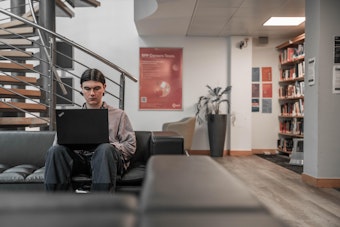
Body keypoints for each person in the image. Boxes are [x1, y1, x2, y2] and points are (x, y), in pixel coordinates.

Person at [44, 68, 136, 192]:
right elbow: (57, 145)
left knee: (104, 149)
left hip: (106, 160)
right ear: (81, 89)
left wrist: (109, 145)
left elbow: (130, 146)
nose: (92, 93)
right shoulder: (71, 116)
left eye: (96, 88)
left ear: (104, 88)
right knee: (55, 150)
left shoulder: (119, 115)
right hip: (79, 160)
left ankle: (100, 206)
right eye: (87, 88)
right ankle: (56, 205)